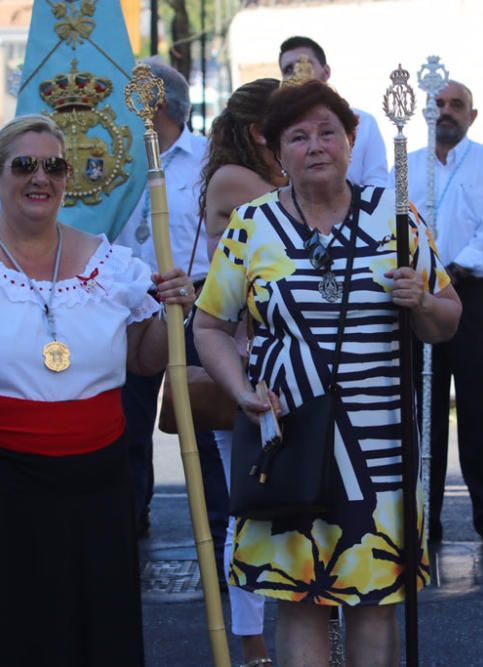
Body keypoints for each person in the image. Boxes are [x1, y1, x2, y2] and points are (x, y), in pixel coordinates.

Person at [0, 114, 194, 664]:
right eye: (24, 165)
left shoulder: (114, 265)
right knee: (5, 635)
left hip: (95, 484)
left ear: (68, 179)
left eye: (54, 166)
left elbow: (146, 361)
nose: (39, 177)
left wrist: (176, 315)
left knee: (91, 634)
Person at [194, 80, 460, 666]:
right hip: (288, 437)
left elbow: (447, 321)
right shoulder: (251, 225)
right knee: (300, 597)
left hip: (380, 443)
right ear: (274, 150)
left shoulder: (397, 219)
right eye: (298, 136)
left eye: (327, 132)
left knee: (374, 599)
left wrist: (423, 301)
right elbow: (209, 325)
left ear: (350, 139)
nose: (315, 146)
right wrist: (240, 391)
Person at [112, 57, 226, 543]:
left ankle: (219, 532)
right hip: (130, 300)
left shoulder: (208, 161)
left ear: (160, 104)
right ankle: (128, 521)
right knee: (126, 422)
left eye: (139, 92)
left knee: (201, 418)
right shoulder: (116, 161)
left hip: (197, 297)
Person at [404, 79, 483, 549]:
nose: (446, 111)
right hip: (417, 292)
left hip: (467, 288)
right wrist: (422, 275)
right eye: (438, 104)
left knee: (478, 403)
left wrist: (451, 269)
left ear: (472, 115)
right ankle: (423, 516)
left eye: (456, 105)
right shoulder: (406, 166)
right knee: (420, 403)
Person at [198, 76, 285, 667]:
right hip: (244, 353)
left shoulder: (250, 176)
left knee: (293, 499)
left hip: (275, 353)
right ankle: (252, 646)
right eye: (291, 128)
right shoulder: (238, 181)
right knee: (247, 510)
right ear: (261, 132)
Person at [278, 36, 388, 188]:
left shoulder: (364, 122)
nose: (298, 73)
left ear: (326, 72)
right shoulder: (279, 126)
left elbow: (377, 181)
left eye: (306, 65)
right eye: (289, 69)